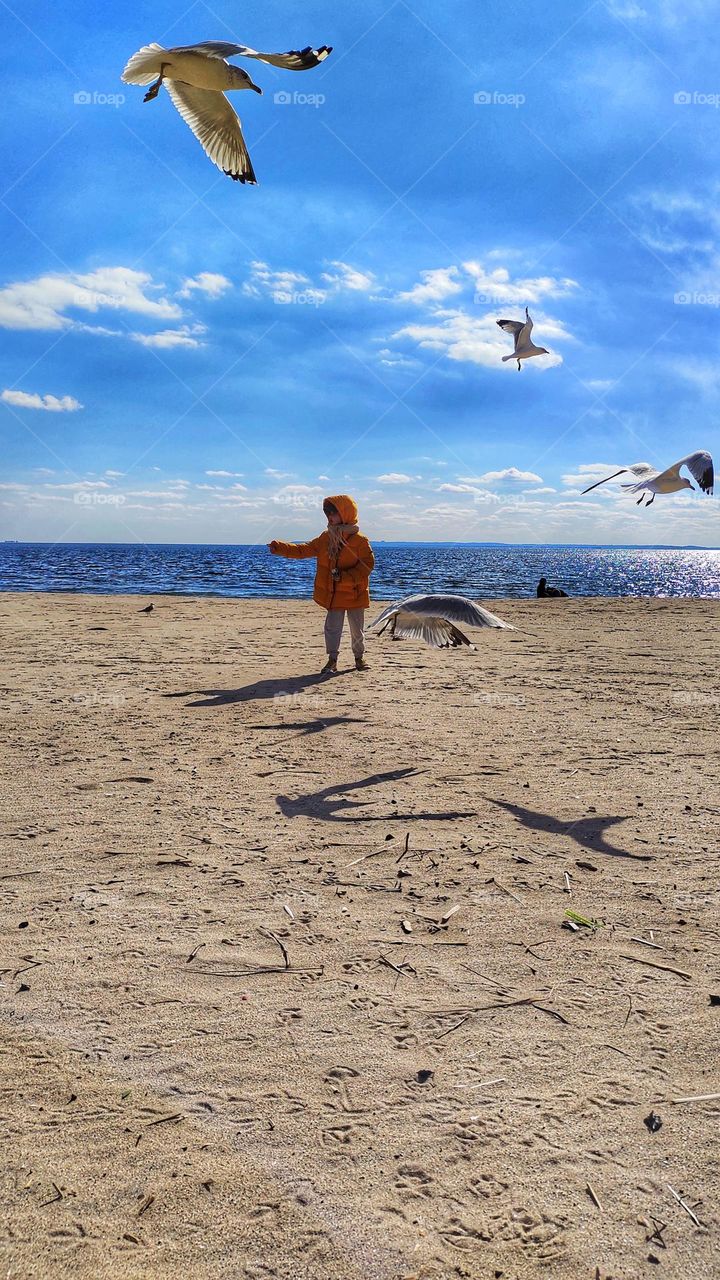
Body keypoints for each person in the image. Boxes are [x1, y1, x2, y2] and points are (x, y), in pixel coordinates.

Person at [268, 495, 375, 673]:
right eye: (327, 513)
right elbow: (304, 550)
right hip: (333, 594)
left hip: (355, 593)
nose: (329, 517)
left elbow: (367, 566)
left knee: (357, 630)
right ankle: (332, 660)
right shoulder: (326, 538)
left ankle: (359, 658)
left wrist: (344, 578)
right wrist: (280, 548)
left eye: (333, 513)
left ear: (346, 514)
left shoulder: (360, 540)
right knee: (332, 628)